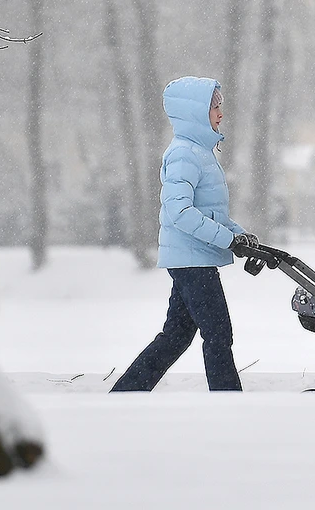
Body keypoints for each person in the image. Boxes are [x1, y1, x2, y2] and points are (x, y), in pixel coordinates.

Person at [111, 76, 257, 392]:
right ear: (194, 113)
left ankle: (126, 393)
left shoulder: (200, 152)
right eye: (214, 107)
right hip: (192, 260)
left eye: (220, 105)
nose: (220, 113)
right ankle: (228, 400)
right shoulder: (183, 154)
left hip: (193, 258)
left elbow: (210, 213)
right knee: (218, 333)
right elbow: (180, 213)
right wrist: (228, 240)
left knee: (176, 336)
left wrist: (240, 235)